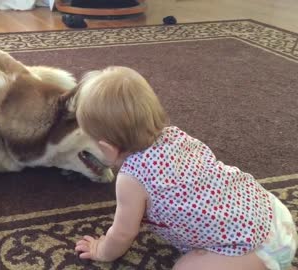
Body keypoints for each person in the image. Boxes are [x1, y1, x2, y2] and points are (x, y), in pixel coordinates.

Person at [73, 66, 297, 270]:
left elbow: (123, 233)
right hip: (276, 217)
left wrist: (101, 251)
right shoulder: (176, 135)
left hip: (253, 250)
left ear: (108, 148)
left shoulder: (130, 179)